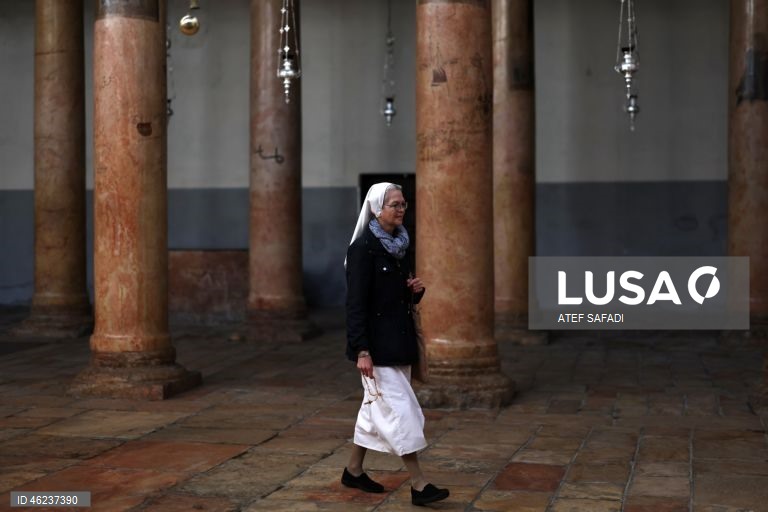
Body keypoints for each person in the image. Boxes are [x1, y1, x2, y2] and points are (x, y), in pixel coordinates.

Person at [341, 182, 449, 506]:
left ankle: (353, 470)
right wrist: (361, 350)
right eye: (395, 205)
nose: (401, 209)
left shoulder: (399, 244)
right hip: (376, 350)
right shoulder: (363, 249)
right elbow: (356, 305)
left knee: (372, 410)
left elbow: (390, 297)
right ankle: (419, 484)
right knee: (403, 413)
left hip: (398, 342)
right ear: (377, 209)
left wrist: (413, 291)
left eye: (403, 204)